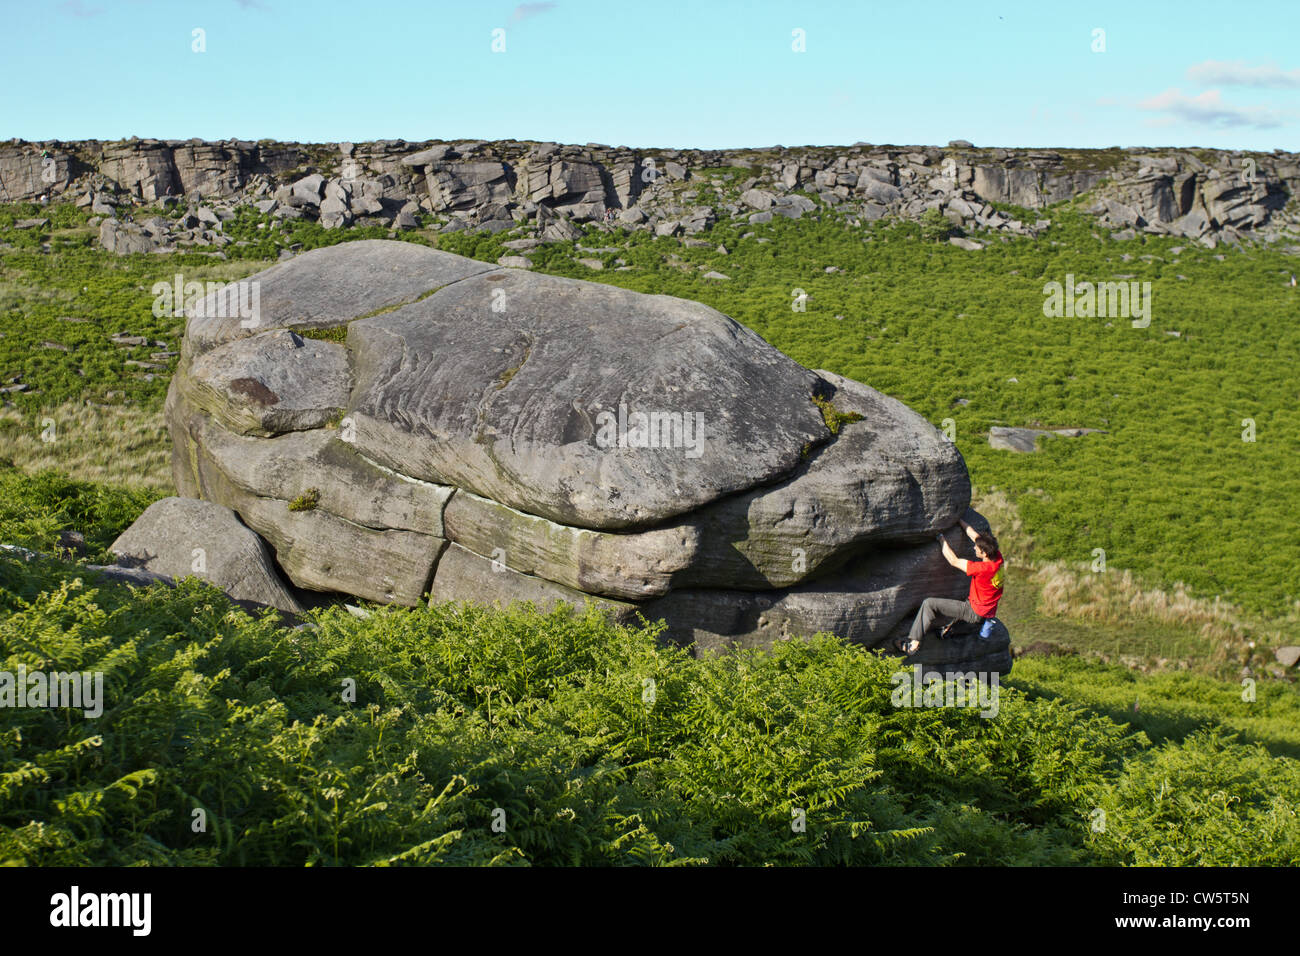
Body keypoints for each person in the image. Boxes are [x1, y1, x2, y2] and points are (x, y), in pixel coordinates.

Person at [897, 519, 1004, 655]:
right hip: (986, 610)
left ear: (984, 553)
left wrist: (940, 538)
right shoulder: (998, 557)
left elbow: (953, 561)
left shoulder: (982, 569)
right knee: (959, 611)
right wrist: (958, 519)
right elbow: (973, 535)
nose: (973, 548)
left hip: (973, 610)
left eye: (976, 549)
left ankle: (913, 644)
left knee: (929, 604)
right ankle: (948, 631)